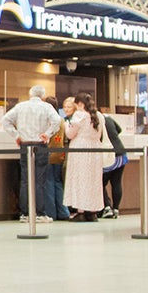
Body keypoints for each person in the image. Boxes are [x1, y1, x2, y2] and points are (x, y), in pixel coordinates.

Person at [1, 84, 60, 222]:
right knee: (40, 180)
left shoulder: (21, 106)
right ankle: (40, 213)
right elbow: (57, 121)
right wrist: (48, 134)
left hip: (25, 144)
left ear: (30, 94)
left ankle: (25, 213)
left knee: (25, 180)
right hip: (40, 145)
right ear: (43, 96)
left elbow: (5, 120)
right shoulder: (46, 107)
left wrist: (16, 135)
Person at [63, 92, 105, 220]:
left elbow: (70, 134)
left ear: (80, 104)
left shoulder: (79, 115)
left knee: (80, 179)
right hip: (95, 150)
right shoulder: (98, 116)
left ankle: (80, 211)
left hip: (80, 149)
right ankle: (92, 212)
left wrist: (66, 125)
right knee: (93, 181)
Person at [43, 95, 68, 221]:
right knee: (58, 182)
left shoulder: (46, 121)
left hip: (48, 155)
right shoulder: (62, 120)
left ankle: (50, 213)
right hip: (59, 155)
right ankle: (63, 212)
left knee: (48, 183)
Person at [100, 109, 127, 218]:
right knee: (116, 182)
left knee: (100, 182)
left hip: (108, 155)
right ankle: (116, 209)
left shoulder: (95, 121)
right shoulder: (108, 118)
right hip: (120, 152)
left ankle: (107, 207)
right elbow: (119, 129)